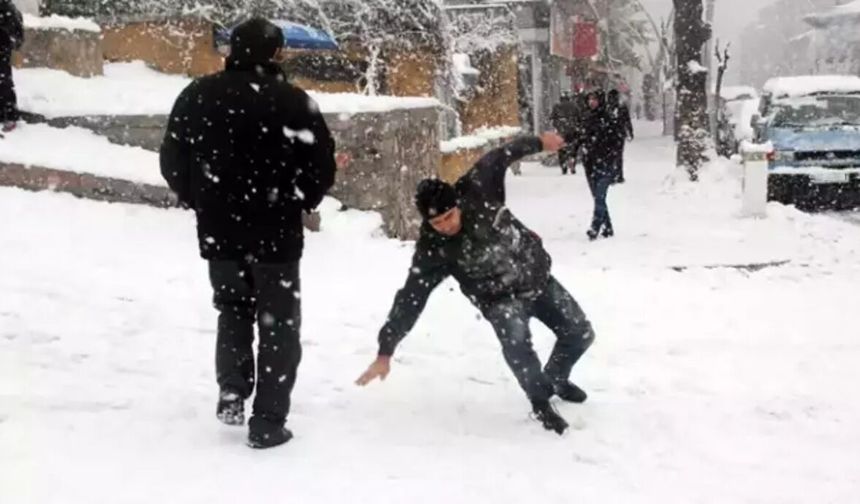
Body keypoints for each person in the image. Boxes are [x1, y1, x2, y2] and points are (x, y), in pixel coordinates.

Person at [160, 18, 337, 449]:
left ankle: (233, 387)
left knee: (233, 308)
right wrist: (301, 199)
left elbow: (172, 158)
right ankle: (268, 421)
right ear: (276, 53)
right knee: (278, 325)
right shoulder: (294, 102)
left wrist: (197, 198)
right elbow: (321, 166)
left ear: (232, 50)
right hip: (275, 231)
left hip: (220, 230)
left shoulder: (196, 96)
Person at [356, 133, 596, 436]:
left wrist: (540, 143)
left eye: (448, 216)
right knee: (517, 344)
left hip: (537, 279)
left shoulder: (479, 187)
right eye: (437, 223)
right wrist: (385, 349)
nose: (446, 226)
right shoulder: (434, 250)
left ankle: (557, 378)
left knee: (580, 334)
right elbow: (410, 298)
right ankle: (540, 401)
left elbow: (503, 153)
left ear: (457, 203)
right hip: (498, 300)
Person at [579, 90, 618, 240]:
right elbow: (581, 137)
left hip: (605, 163)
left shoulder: (608, 119)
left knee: (600, 196)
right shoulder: (587, 118)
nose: (591, 102)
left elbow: (615, 142)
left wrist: (614, 163)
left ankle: (595, 227)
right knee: (597, 197)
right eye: (590, 99)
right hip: (590, 163)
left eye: (594, 99)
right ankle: (608, 227)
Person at [0, 0, 23, 133]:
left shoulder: (6, 7)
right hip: (3, 50)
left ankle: (10, 116)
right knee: (4, 83)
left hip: (2, 50)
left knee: (4, 83)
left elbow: (13, 32)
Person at [606, 89, 634, 184]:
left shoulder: (606, 108)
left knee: (610, 156)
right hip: (619, 134)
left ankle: (611, 175)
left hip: (608, 135)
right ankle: (619, 175)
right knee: (618, 155)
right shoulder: (622, 108)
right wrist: (630, 132)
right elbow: (627, 121)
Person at [550, 91, 581, 175]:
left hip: (561, 131)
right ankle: (572, 160)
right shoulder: (574, 106)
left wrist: (557, 125)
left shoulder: (556, 106)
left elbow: (552, 118)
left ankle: (563, 165)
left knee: (561, 149)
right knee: (573, 148)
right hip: (572, 130)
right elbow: (580, 118)